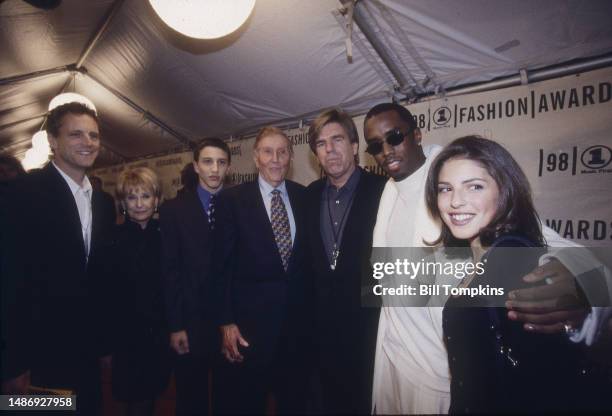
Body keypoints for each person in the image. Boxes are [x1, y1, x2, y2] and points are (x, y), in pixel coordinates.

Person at [364, 102, 599, 414]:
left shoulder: (452, 181)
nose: (387, 151)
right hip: (393, 362)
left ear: (417, 134)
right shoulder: (390, 189)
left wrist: (580, 285)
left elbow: (551, 245)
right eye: (375, 145)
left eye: (394, 137)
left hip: (439, 375)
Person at [424, 136, 596, 412]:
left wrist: (586, 298)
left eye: (475, 187)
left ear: (504, 191)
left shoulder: (512, 261)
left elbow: (546, 383)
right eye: (445, 189)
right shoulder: (486, 257)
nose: (455, 201)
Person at [0, 102, 115, 414]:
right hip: (38, 357)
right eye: (76, 134)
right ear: (52, 140)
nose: (88, 142)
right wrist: (12, 364)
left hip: (87, 354)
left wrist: (104, 345)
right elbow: (9, 282)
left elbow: (100, 280)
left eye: (93, 135)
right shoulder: (21, 193)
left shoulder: (104, 203)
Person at [213, 126, 309, 414]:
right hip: (249, 332)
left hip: (296, 332)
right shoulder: (231, 201)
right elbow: (220, 267)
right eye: (268, 152)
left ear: (291, 157)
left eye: (282, 152)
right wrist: (226, 322)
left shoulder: (305, 197)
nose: (275, 159)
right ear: (256, 158)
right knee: (248, 404)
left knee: (293, 403)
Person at [304, 108, 386, 414]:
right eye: (322, 144)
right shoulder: (309, 197)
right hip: (320, 338)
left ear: (354, 146)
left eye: (337, 140)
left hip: (367, 333)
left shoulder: (382, 192)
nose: (330, 149)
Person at [159, 137, 231, 415]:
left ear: (228, 167)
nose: (214, 169)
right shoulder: (173, 210)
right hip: (190, 322)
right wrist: (176, 325)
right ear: (196, 166)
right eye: (208, 161)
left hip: (229, 322)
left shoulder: (239, 204)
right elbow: (170, 270)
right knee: (191, 399)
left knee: (229, 396)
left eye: (221, 162)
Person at [110, 167, 171, 416]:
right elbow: (107, 294)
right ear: (123, 202)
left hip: (159, 333)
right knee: (130, 397)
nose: (139, 204)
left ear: (156, 199)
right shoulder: (112, 238)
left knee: (153, 393)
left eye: (145, 196)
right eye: (132, 197)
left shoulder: (166, 235)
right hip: (126, 334)